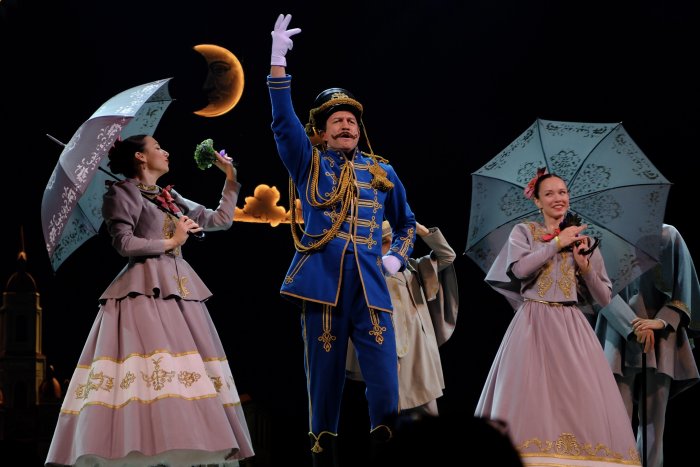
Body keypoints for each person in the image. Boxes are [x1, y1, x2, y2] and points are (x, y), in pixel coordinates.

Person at [45, 134, 254, 466]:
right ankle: (143, 443)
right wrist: (173, 241)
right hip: (144, 291)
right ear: (140, 157)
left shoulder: (168, 196)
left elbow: (220, 220)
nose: (165, 151)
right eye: (157, 147)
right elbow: (124, 244)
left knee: (186, 372)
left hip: (180, 291)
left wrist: (231, 178)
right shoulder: (121, 193)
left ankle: (186, 439)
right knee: (151, 371)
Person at [267, 13, 416, 467]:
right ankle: (322, 460)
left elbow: (407, 225)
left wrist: (396, 259)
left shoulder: (382, 171)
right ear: (322, 130)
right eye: (337, 120)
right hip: (323, 284)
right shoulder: (308, 162)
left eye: (351, 119)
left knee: (385, 382)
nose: (346, 125)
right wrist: (277, 63)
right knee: (324, 383)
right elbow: (283, 124)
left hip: (371, 285)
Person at [474, 169, 641, 466]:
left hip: (570, 323)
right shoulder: (525, 232)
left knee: (578, 395)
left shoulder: (583, 241)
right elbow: (519, 270)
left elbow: (604, 298)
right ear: (537, 201)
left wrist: (584, 267)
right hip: (533, 321)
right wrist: (556, 243)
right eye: (549, 193)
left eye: (562, 192)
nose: (558, 198)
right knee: (531, 391)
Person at [595, 223, 700, 467]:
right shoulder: (603, 240)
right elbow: (597, 289)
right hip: (618, 335)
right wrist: (631, 326)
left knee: (653, 425)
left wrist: (661, 321)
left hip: (661, 337)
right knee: (616, 423)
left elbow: (685, 286)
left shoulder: (668, 236)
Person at [346, 220, 458, 417]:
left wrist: (423, 231)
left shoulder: (413, 268)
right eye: (387, 242)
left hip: (420, 350)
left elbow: (447, 256)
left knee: (428, 408)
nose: (395, 246)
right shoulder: (369, 275)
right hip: (391, 351)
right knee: (393, 411)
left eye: (397, 241)